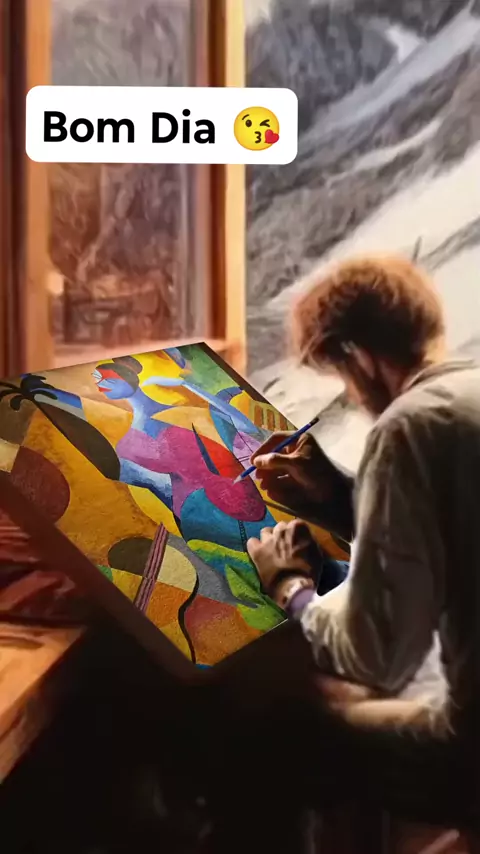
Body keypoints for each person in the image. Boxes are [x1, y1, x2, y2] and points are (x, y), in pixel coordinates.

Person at [207, 255, 479, 852]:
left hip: (471, 755)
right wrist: (337, 496)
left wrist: (291, 588)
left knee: (289, 712)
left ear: (357, 356)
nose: (353, 396)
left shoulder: (406, 427)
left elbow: (375, 656)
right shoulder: (466, 393)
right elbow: (445, 533)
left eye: (341, 377)